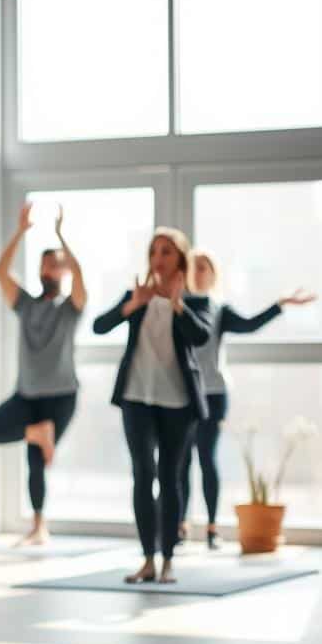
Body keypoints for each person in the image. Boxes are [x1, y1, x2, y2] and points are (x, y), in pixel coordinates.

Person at [93, 228, 211, 584]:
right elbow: (99, 326)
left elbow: (201, 336)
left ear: (180, 259)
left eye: (166, 252)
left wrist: (177, 305)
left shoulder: (193, 301)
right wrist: (132, 304)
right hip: (136, 398)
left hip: (178, 402)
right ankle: (147, 559)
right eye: (154, 252)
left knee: (170, 477)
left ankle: (168, 560)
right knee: (143, 474)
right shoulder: (137, 296)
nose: (158, 258)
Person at [177, 249, 317, 549]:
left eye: (203, 268)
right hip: (183, 393)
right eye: (193, 267)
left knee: (207, 458)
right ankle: (180, 525)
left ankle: (212, 527)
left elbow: (250, 324)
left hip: (213, 393)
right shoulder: (175, 306)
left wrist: (281, 304)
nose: (198, 273)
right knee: (181, 460)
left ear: (213, 275)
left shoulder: (219, 310)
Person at [0, 202, 86, 545]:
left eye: (56, 265)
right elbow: (0, 272)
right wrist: (21, 232)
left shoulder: (70, 309)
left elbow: (81, 277)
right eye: (45, 264)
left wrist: (61, 237)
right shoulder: (25, 305)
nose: (49, 270)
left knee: (36, 462)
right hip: (27, 395)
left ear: (64, 271)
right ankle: (38, 433)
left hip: (61, 397)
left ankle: (39, 526)